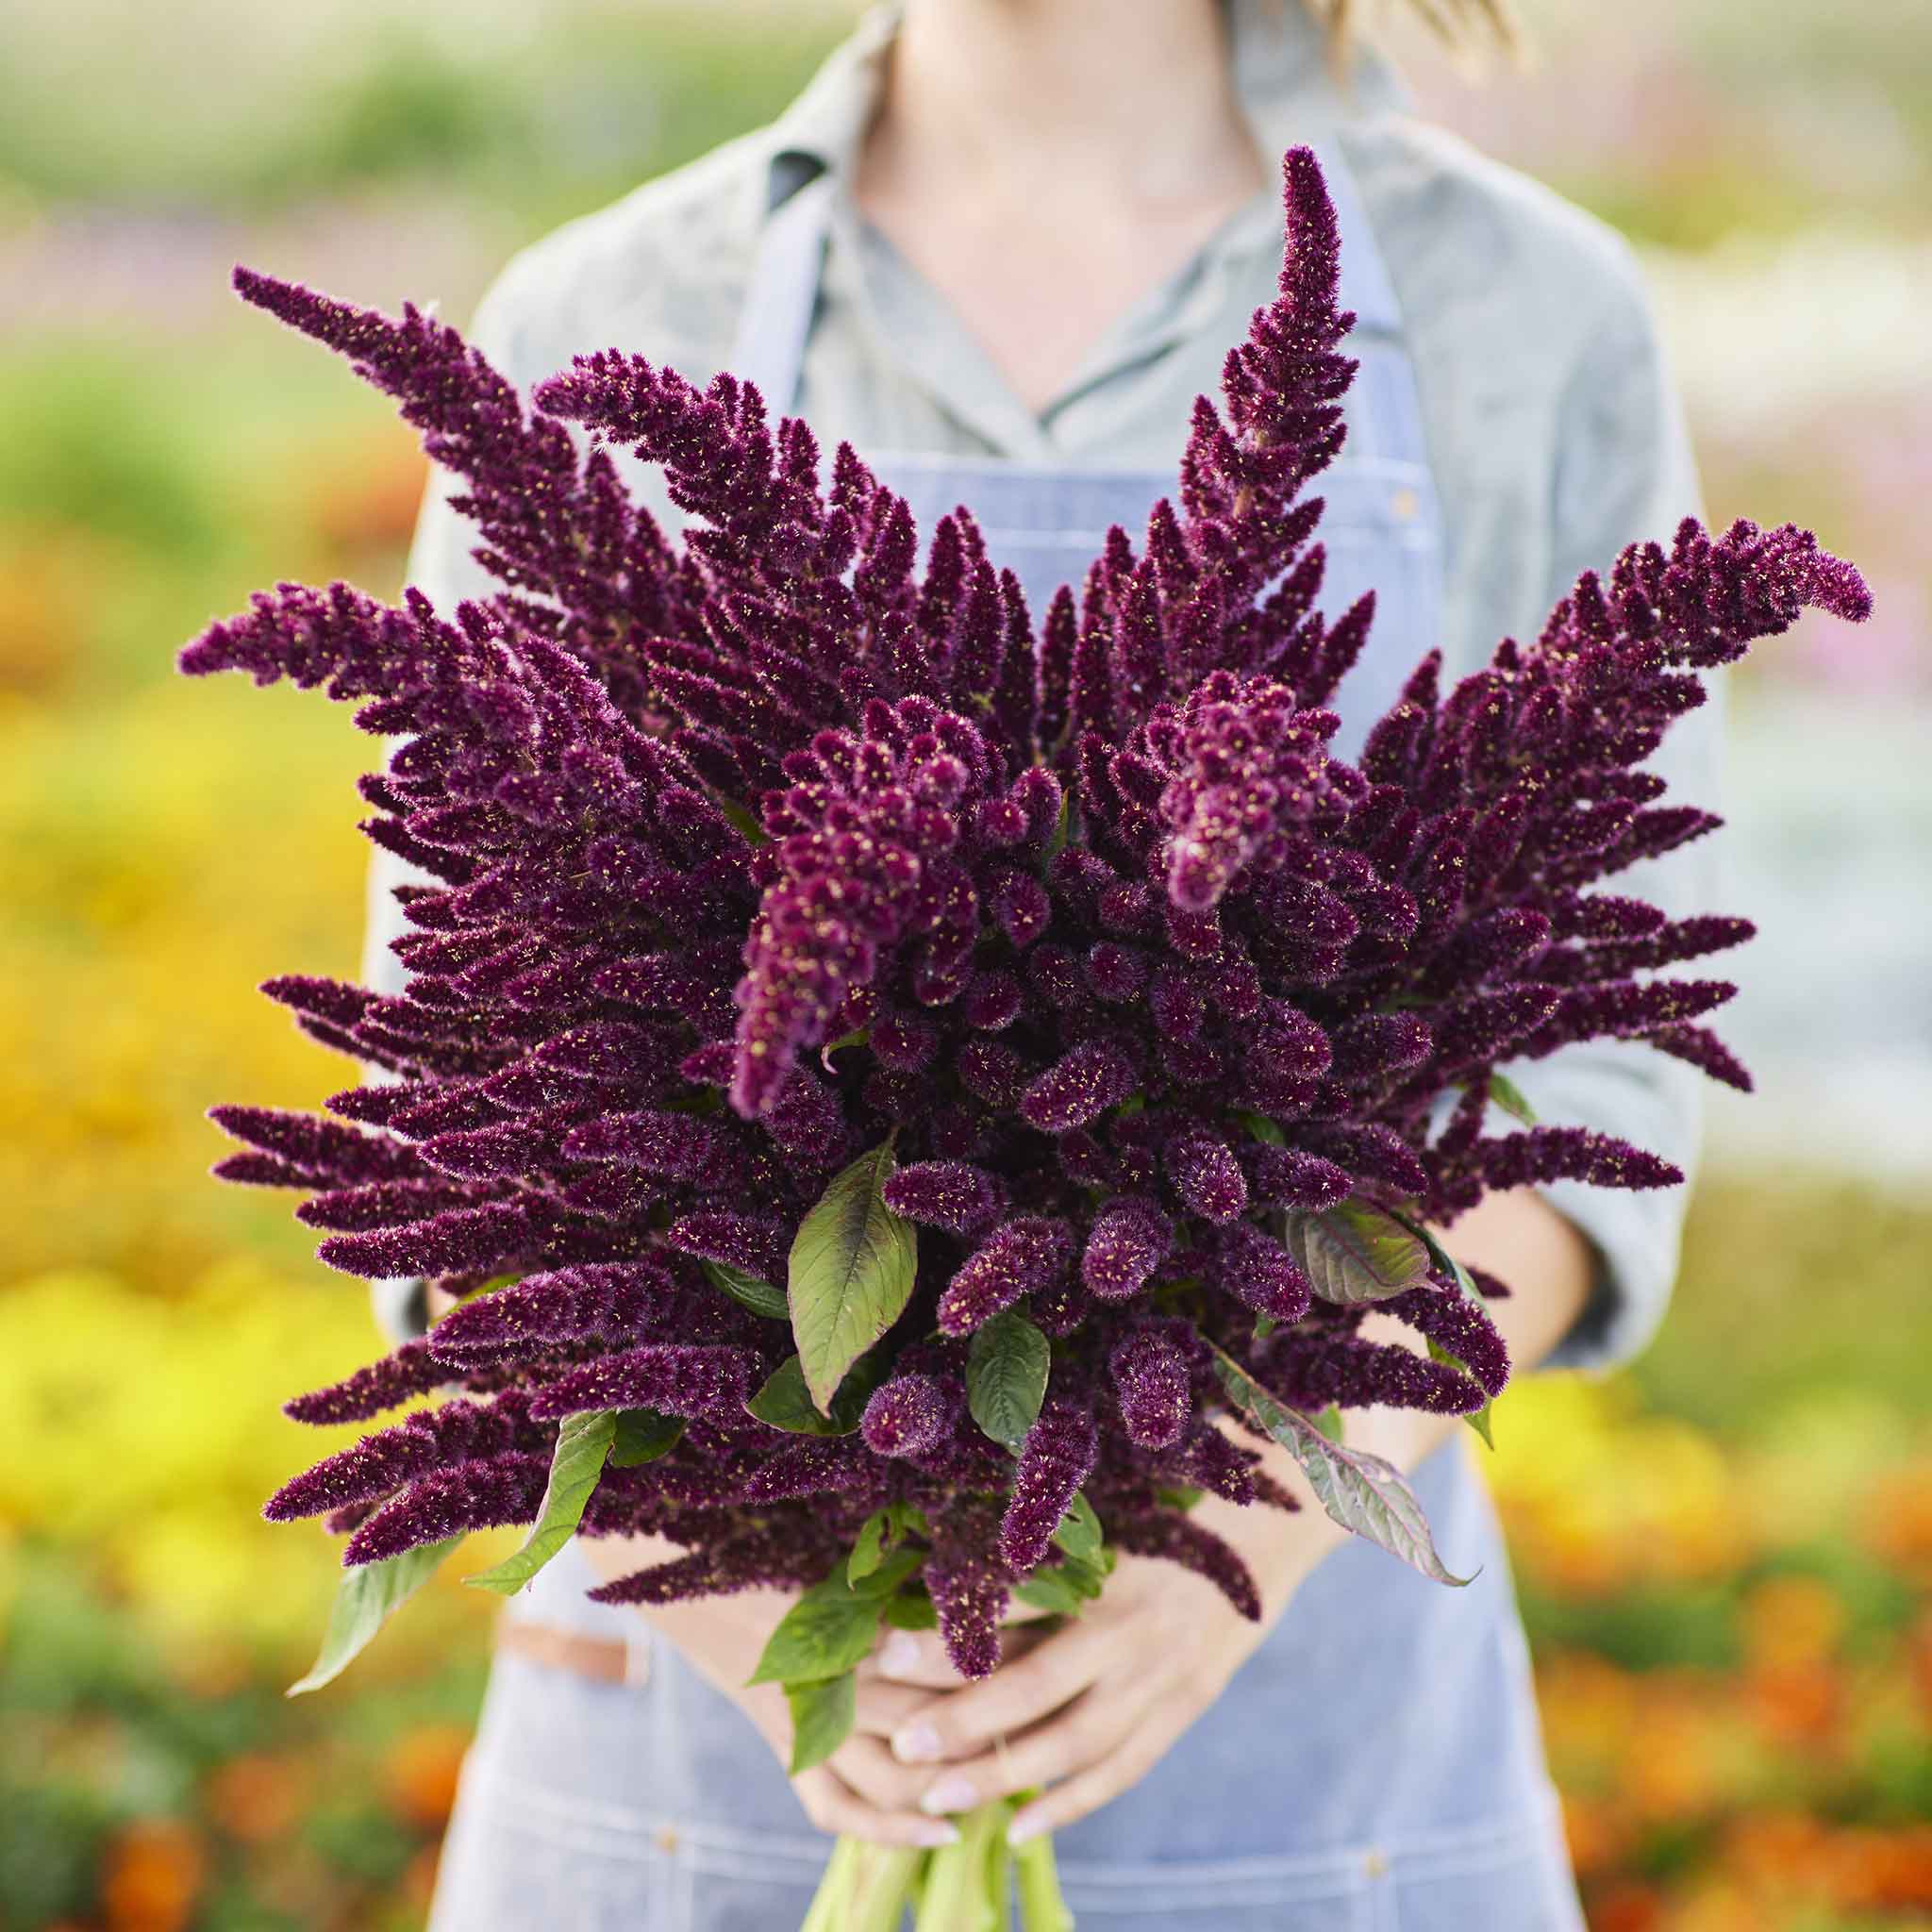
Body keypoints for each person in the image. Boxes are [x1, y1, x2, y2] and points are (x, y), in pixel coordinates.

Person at [366, 1, 1720, 1924]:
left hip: (1301, 1752)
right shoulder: (607, 314)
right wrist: (776, 1620)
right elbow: (459, 1093)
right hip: (692, 1779)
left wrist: (1245, 1512)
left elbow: (1599, 1091)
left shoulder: (1522, 310)